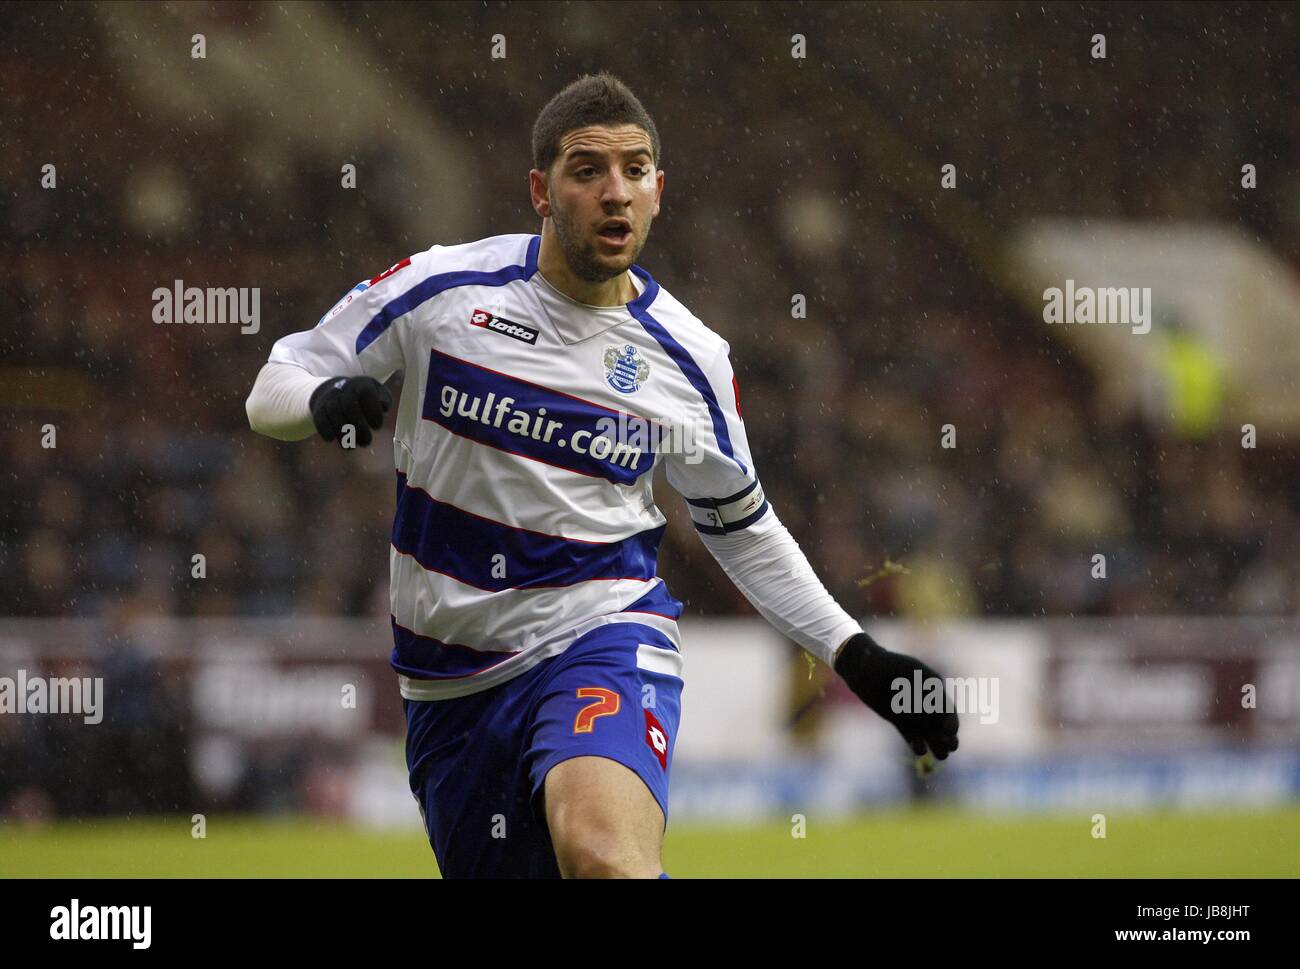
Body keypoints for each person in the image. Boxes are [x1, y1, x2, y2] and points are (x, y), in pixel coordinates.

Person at [245, 72, 957, 879]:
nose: (616, 192)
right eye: (588, 171)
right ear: (541, 190)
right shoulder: (443, 292)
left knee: (603, 857)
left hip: (602, 634)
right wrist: (322, 399)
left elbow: (743, 529)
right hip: (449, 686)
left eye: (636, 169)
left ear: (660, 190)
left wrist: (857, 655)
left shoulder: (689, 359)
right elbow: (272, 384)